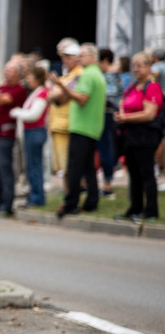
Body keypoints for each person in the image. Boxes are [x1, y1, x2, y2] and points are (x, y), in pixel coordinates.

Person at [53, 43, 105, 218]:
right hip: (90, 126)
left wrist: (62, 86)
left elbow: (82, 99)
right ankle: (91, 201)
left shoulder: (88, 74)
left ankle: (71, 203)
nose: (79, 58)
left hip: (82, 127)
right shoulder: (96, 73)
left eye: (82, 55)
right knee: (89, 167)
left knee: (75, 167)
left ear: (92, 57)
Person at [114, 52, 162, 223]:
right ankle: (135, 208)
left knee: (146, 173)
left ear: (149, 67)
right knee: (134, 174)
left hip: (145, 136)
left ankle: (151, 210)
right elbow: (123, 104)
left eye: (140, 66)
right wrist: (120, 115)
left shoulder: (152, 86)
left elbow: (149, 114)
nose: (136, 69)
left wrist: (126, 117)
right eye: (135, 66)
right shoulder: (132, 86)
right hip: (130, 135)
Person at [0, 59, 28, 217]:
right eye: (6, 69)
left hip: (5, 135)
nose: (6, 73)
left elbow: (1, 100)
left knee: (4, 169)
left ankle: (6, 204)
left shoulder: (19, 90)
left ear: (18, 74)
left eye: (10, 70)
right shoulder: (2, 87)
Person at [12, 64, 50, 208]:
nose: (27, 80)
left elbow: (34, 115)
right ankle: (35, 195)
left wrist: (17, 112)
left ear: (37, 78)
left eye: (30, 77)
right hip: (31, 132)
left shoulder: (42, 93)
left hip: (35, 132)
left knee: (34, 166)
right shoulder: (36, 92)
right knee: (32, 166)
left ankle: (37, 197)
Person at [48, 40, 81, 178]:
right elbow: (51, 95)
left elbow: (60, 96)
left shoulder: (79, 74)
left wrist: (58, 90)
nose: (64, 60)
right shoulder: (66, 75)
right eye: (63, 56)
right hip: (59, 124)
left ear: (77, 58)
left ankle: (74, 191)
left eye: (68, 57)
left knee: (69, 167)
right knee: (63, 169)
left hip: (67, 124)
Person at [97, 47, 121, 197]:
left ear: (105, 61)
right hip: (107, 115)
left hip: (107, 115)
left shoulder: (110, 76)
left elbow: (110, 98)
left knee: (106, 148)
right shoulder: (112, 75)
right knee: (105, 148)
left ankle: (107, 185)